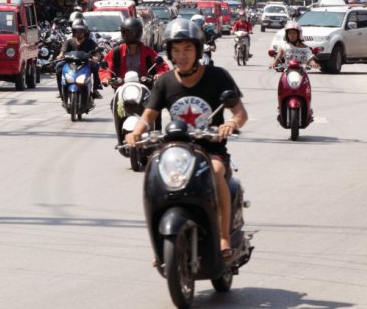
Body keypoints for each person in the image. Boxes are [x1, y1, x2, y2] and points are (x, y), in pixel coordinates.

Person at [124, 19, 248, 259]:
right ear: (169, 52)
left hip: (210, 149)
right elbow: (149, 114)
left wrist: (230, 124)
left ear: (198, 50)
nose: (181, 55)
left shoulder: (217, 76)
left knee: (216, 171)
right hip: (175, 150)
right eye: (176, 50)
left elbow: (240, 113)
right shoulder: (164, 82)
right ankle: (161, 243)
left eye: (187, 49)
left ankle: (223, 236)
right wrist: (135, 133)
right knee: (154, 178)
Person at [99, 17, 169, 87]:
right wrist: (106, 78)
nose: (131, 35)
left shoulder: (148, 52)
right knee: (114, 99)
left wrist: (159, 75)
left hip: (144, 89)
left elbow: (162, 66)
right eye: (128, 33)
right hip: (122, 89)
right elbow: (105, 68)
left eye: (134, 33)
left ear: (139, 33)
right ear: (123, 33)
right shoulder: (116, 52)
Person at [56, 21, 102, 100]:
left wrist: (96, 57)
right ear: (73, 32)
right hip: (70, 63)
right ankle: (61, 91)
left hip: (86, 63)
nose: (78, 33)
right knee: (59, 66)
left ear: (84, 32)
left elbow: (97, 52)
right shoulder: (69, 42)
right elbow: (62, 52)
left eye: (81, 31)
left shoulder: (90, 42)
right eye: (76, 32)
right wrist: (60, 56)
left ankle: (95, 89)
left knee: (96, 66)